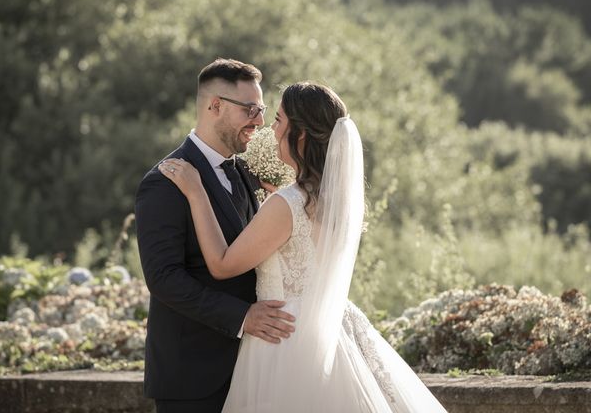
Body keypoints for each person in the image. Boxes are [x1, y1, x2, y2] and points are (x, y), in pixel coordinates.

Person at [160, 82, 448, 412]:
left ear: (299, 136)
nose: (271, 127)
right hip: (327, 333)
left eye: (279, 120)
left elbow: (222, 264)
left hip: (282, 340)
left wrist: (196, 193)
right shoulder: (335, 202)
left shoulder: (287, 204)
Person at [135, 58, 296, 413]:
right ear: (215, 106)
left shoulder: (245, 172)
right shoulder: (165, 181)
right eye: (251, 109)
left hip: (252, 367)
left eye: (263, 109)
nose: (260, 121)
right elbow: (163, 278)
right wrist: (243, 317)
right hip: (192, 374)